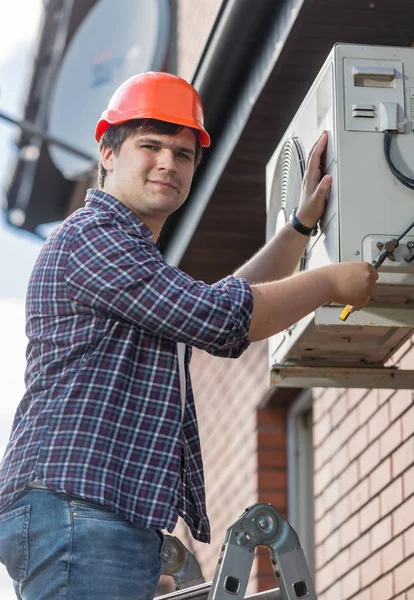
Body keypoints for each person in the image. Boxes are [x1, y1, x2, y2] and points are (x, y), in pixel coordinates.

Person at [0, 71, 378, 599]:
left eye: (182, 154)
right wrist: (330, 282)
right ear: (107, 153)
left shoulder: (129, 254)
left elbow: (218, 301)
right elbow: (222, 317)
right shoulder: (93, 237)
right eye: (149, 146)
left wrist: (298, 229)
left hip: (91, 513)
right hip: (80, 510)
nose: (167, 164)